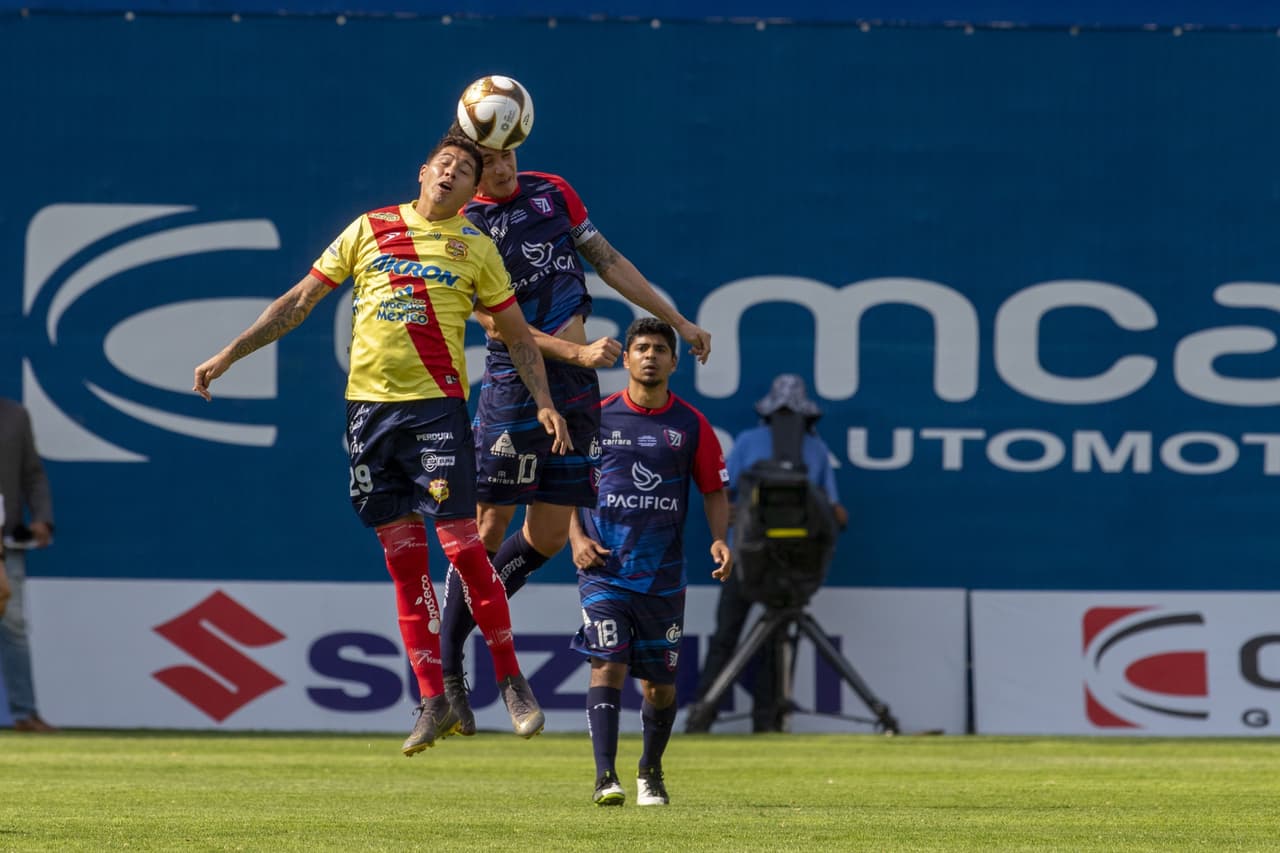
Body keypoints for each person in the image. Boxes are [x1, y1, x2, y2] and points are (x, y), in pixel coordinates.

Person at [193, 132, 572, 756]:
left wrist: (545, 402)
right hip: (368, 417)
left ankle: (511, 679)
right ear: (423, 172)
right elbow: (299, 301)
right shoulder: (370, 229)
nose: (451, 174)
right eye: (444, 164)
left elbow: (518, 337)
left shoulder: (475, 246)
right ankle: (433, 700)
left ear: (472, 190)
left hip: (436, 412)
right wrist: (230, 353)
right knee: (402, 560)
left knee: (465, 549)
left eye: (464, 170)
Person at [437, 87, 715, 736]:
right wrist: (578, 351)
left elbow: (609, 260)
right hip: (512, 385)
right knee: (484, 527)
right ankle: (448, 668)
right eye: (489, 157)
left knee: (549, 538)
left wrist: (676, 317)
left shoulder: (553, 192)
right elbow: (494, 323)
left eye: (509, 154)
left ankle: (466, 623)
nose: (502, 167)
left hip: (577, 391)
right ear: (470, 158)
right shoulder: (462, 226)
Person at [566, 317, 732, 806]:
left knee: (659, 687)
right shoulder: (597, 417)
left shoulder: (690, 424)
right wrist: (575, 535)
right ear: (626, 358)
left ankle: (650, 772)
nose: (650, 356)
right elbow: (564, 483)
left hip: (662, 575)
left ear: (674, 363)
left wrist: (720, 540)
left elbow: (714, 490)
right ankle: (604, 777)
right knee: (607, 665)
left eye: (660, 349)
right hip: (604, 570)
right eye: (641, 347)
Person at [687, 373, 848, 734]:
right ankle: (765, 721)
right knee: (769, 640)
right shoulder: (814, 450)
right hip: (783, 562)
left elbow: (721, 494)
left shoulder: (753, 441)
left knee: (728, 634)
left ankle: (703, 715)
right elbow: (833, 509)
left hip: (747, 556)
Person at [0, 397, 57, 733]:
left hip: (6, 540)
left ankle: (25, 713)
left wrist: (42, 519)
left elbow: (32, 475)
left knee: (14, 624)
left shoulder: (14, 416)